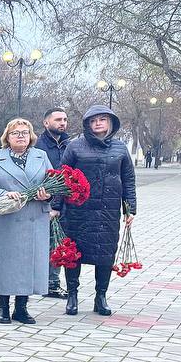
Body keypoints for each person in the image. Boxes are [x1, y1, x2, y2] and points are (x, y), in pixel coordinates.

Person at [56, 105, 137, 317]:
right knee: (74, 253)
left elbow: (128, 179)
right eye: (93, 120)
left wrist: (130, 209)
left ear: (110, 122)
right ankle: (72, 295)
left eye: (102, 119)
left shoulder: (120, 148)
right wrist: (55, 207)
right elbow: (61, 177)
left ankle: (100, 296)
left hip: (107, 212)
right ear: (87, 124)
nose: (98, 123)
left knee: (105, 254)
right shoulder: (75, 147)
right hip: (78, 211)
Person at [0, 118, 53, 325]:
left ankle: (22, 308)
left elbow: (53, 183)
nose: (20, 136)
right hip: (6, 218)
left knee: (29, 262)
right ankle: (2, 308)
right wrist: (3, 193)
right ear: (7, 137)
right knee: (4, 263)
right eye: (15, 133)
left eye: (24, 132)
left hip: (34, 216)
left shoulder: (41, 156)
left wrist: (48, 195)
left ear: (31, 136)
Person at [35, 107, 72, 298]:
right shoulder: (38, 146)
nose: (62, 123)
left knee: (58, 242)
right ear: (46, 122)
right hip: (43, 201)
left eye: (65, 119)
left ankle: (52, 283)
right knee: (45, 243)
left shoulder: (70, 144)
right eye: (58, 119)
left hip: (64, 202)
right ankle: (46, 282)